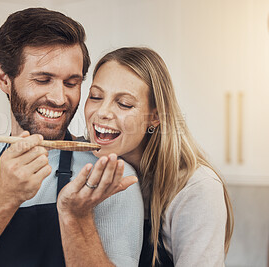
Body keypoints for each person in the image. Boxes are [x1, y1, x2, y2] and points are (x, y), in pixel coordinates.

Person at [0, 8, 144, 267]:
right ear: (4, 78)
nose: (60, 98)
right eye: (43, 79)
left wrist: (77, 217)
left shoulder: (109, 175)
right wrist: (5, 193)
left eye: (71, 83)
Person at [79, 47, 234, 266]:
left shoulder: (197, 189)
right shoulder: (86, 166)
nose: (102, 112)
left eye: (124, 103)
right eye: (95, 96)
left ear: (155, 117)